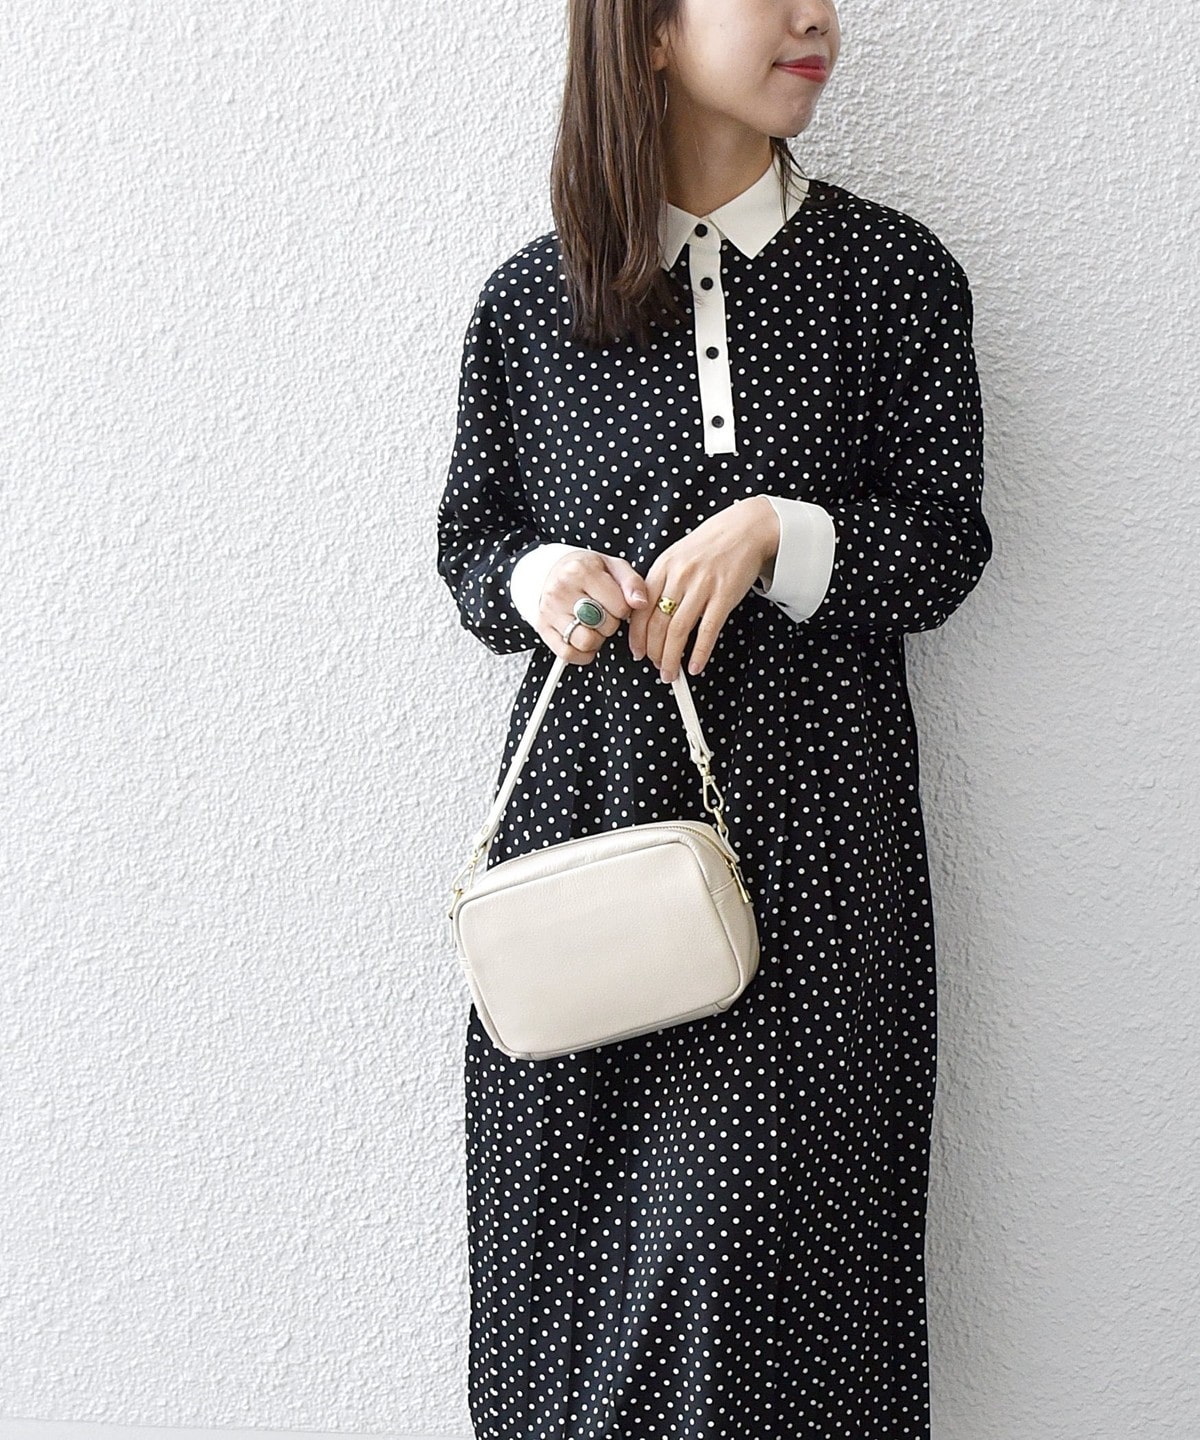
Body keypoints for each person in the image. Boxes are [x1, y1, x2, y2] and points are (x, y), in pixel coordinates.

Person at [435, 0, 993, 1435]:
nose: (818, 18)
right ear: (650, 32)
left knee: (776, 1260)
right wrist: (542, 577)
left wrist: (776, 534)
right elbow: (469, 549)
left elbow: (943, 548)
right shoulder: (528, 303)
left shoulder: (892, 276)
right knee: (577, 1262)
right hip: (588, 846)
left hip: (819, 846)